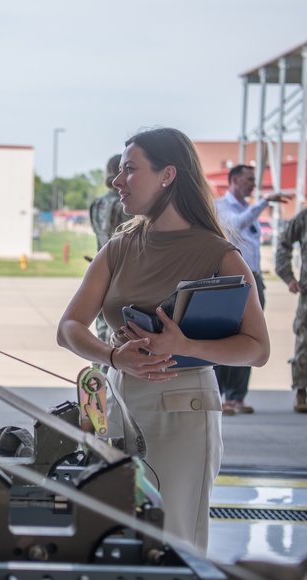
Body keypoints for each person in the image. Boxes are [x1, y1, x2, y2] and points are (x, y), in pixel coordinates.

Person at [56, 128, 270, 553]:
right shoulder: (119, 247)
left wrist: (184, 345)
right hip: (119, 402)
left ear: (168, 174)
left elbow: (257, 349)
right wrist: (114, 356)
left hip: (183, 411)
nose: (118, 181)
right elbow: (70, 328)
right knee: (112, 533)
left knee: (173, 540)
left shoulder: (219, 254)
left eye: (130, 170)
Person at [212, 165, 289, 415]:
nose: (253, 185)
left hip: (254, 280)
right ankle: (220, 396)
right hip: (231, 283)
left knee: (251, 338)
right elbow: (235, 226)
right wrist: (264, 202)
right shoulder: (221, 207)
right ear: (233, 180)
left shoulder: (249, 208)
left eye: (255, 180)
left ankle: (236, 397)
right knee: (224, 338)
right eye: (249, 180)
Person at [88, 154, 129, 354]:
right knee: (117, 331)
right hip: (122, 272)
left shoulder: (97, 204)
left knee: (101, 326)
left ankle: (98, 378)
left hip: (99, 268)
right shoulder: (125, 205)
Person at [274, 206, 307, 413]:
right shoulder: (304, 217)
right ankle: (302, 391)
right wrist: (288, 276)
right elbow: (283, 244)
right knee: (304, 341)